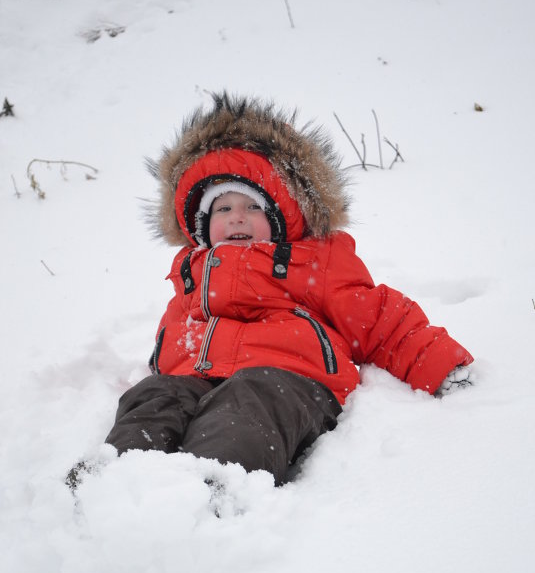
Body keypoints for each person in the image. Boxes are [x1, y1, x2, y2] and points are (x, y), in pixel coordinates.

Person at [68, 92, 473, 490]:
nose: (236, 218)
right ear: (201, 224)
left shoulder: (313, 261)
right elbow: (170, 338)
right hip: (197, 377)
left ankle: (215, 486)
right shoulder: (192, 275)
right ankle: (114, 484)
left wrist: (436, 363)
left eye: (253, 207)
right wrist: (165, 370)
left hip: (287, 381)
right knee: (156, 397)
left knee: (248, 405)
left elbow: (379, 318)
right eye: (223, 209)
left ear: (283, 216)